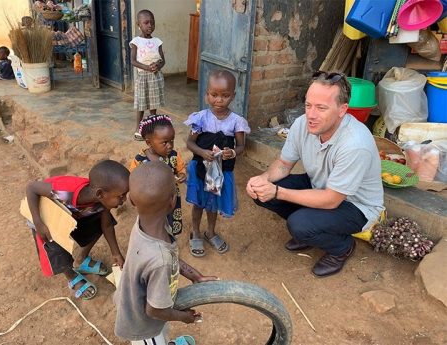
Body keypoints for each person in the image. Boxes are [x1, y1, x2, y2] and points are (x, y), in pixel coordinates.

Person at [246, 71, 384, 277]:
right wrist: (263, 180)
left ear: (342, 110)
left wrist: (277, 191)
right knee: (261, 193)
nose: (311, 114)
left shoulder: (355, 144)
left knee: (299, 224)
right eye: (308, 105)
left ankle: (341, 247)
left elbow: (331, 200)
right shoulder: (302, 123)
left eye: (321, 108)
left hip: (356, 206)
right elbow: (284, 164)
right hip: (320, 186)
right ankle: (312, 232)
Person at [114, 161, 217, 345]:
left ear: (131, 200)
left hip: (140, 305)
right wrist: (184, 317)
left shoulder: (146, 223)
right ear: (172, 202)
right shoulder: (160, 260)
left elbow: (170, 254)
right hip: (144, 328)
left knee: (162, 333)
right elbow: (154, 310)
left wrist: (195, 276)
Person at [26, 160, 129, 299]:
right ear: (100, 194)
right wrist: (38, 222)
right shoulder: (64, 193)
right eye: (121, 196)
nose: (124, 200)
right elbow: (32, 188)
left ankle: (81, 260)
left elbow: (107, 225)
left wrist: (116, 253)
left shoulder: (102, 199)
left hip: (73, 214)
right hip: (44, 216)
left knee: (101, 222)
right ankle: (71, 275)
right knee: (54, 245)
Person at [184, 70, 251, 257]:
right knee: (199, 203)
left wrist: (232, 153)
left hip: (221, 172)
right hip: (200, 170)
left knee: (213, 204)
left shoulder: (237, 122)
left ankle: (210, 232)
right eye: (214, 95)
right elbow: (189, 143)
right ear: (207, 95)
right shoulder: (200, 118)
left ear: (233, 96)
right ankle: (195, 232)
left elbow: (241, 146)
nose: (219, 100)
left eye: (225, 96)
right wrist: (202, 152)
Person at [129, 114, 186, 236]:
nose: (170, 145)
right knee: (152, 226)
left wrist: (182, 175)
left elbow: (180, 169)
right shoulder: (140, 161)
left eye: (172, 140)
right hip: (150, 202)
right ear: (149, 142)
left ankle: (170, 239)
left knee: (171, 223)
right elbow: (133, 181)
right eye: (165, 142)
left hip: (171, 200)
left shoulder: (174, 156)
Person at [129, 9, 166, 141]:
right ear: (139, 24)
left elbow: (162, 60)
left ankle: (152, 126)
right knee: (141, 103)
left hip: (155, 77)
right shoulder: (136, 42)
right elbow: (133, 61)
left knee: (153, 103)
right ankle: (138, 128)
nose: (150, 25)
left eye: (152, 22)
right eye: (146, 23)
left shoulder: (157, 41)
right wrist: (147, 67)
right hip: (143, 76)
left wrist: (158, 65)